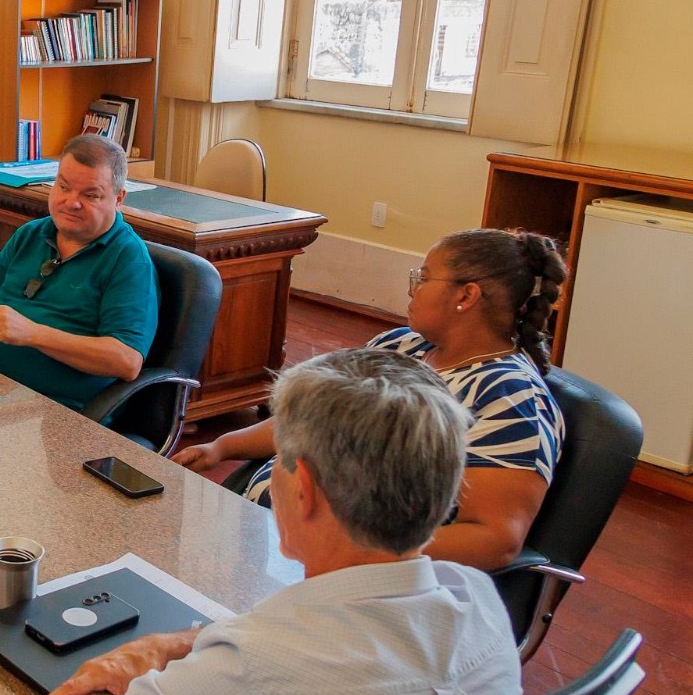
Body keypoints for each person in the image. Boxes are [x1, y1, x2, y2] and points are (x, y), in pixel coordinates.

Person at [25, 348, 522, 695]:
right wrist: (179, 643)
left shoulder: (250, 678)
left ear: (303, 489)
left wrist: (107, 671)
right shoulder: (479, 604)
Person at [173, 227, 567, 570]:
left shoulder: (511, 400)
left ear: (466, 296)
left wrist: (348, 550)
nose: (411, 288)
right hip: (273, 539)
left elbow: (496, 541)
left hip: (353, 574)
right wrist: (221, 447)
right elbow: (311, 416)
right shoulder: (401, 346)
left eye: (423, 278)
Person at [0, 134, 157, 411]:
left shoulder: (128, 259)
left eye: (90, 195)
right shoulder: (29, 234)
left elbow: (126, 361)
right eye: (63, 187)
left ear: (119, 198)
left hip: (53, 413)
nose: (71, 202)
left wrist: (33, 333)